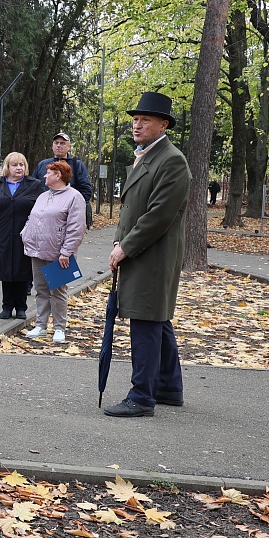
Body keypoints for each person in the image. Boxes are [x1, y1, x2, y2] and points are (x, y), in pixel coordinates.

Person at [104, 92, 191, 418]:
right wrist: (119, 242)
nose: (137, 125)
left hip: (154, 256)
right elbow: (130, 209)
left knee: (146, 320)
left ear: (163, 125)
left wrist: (126, 246)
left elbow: (158, 215)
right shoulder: (147, 156)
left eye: (145, 120)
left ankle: (142, 396)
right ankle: (168, 387)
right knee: (156, 319)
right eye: (135, 119)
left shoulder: (171, 160)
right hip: (141, 252)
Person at [20, 161, 86, 344]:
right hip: (37, 251)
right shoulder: (43, 196)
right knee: (40, 290)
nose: (44, 176)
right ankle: (40, 325)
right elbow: (32, 218)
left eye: (48, 173)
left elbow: (76, 227)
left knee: (57, 291)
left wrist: (66, 251)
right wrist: (26, 234)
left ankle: (59, 328)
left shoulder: (74, 197)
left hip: (59, 254)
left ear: (58, 175)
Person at [0, 152, 44, 320]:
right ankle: (7, 306)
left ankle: (21, 307)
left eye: (21, 165)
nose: (18, 168)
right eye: (15, 165)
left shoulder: (34, 185)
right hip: (1, 235)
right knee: (5, 270)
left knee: (22, 270)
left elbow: (44, 211)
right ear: (7, 167)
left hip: (25, 236)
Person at [32, 132, 93, 227]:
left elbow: (86, 190)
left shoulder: (77, 165)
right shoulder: (42, 165)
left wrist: (75, 209)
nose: (58, 145)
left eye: (62, 143)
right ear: (52, 146)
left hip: (68, 217)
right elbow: (33, 187)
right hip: (44, 216)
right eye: (56, 143)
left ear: (69, 147)